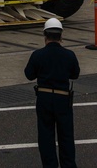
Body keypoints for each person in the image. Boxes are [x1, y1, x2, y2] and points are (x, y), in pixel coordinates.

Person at [24, 18, 80, 168]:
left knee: (46, 135)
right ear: (61, 36)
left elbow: (29, 74)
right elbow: (75, 74)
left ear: (45, 35)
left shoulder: (37, 54)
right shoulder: (69, 55)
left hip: (44, 96)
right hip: (63, 98)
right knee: (66, 136)